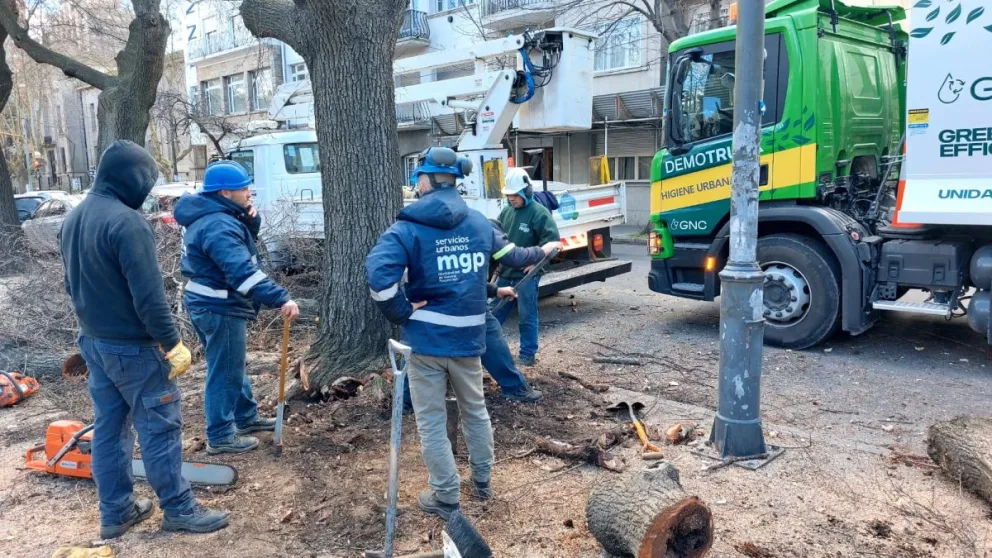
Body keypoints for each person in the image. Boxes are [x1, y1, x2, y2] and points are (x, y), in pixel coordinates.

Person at [366, 147, 560, 520]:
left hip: (425, 343)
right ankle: (483, 482)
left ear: (424, 181)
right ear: (454, 180)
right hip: (470, 340)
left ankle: (446, 495)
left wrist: (401, 311)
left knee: (432, 419)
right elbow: (512, 258)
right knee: (475, 410)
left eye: (417, 179)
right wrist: (544, 249)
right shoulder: (478, 224)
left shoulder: (407, 228)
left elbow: (378, 276)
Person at [60, 140, 229, 538]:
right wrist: (172, 343)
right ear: (131, 178)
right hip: (133, 349)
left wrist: (94, 332)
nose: (149, 191)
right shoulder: (126, 222)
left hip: (96, 343)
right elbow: (149, 297)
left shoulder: (75, 218)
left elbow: (71, 286)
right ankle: (180, 509)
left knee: (110, 428)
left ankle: (116, 511)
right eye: (147, 181)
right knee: (159, 427)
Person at [174, 161, 300, 455]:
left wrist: (250, 223)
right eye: (244, 188)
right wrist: (280, 297)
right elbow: (242, 272)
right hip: (219, 305)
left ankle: (245, 417)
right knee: (226, 370)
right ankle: (220, 435)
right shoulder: (218, 224)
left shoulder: (214, 215)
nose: (250, 193)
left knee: (232, 363)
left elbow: (238, 250)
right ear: (226, 192)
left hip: (209, 302)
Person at [493, 167, 561, 366]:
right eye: (509, 195)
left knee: (526, 315)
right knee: (494, 314)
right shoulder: (506, 212)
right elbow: (498, 241)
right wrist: (496, 265)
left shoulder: (539, 214)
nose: (511, 199)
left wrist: (535, 264)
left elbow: (553, 244)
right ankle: (484, 350)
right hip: (506, 272)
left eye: (515, 195)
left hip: (527, 276)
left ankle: (527, 354)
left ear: (526, 192)